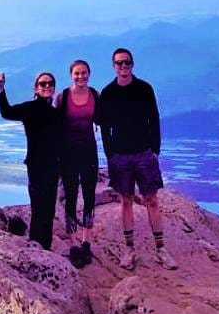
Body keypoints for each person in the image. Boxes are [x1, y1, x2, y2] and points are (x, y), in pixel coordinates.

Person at [95, 47, 176, 270]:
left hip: (143, 152)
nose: (123, 66)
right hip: (120, 156)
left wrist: (155, 150)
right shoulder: (108, 93)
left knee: (152, 200)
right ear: (114, 66)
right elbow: (104, 126)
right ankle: (129, 249)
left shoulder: (144, 88)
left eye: (127, 62)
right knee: (126, 201)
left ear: (132, 64)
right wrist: (110, 154)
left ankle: (161, 249)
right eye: (119, 63)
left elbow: (154, 118)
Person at [0, 69, 61, 250]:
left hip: (53, 165)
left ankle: (45, 246)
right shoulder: (30, 108)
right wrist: (1, 88)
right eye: (43, 84)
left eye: (50, 84)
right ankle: (36, 244)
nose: (47, 86)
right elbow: (7, 112)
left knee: (49, 208)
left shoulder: (56, 114)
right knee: (39, 206)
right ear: (36, 88)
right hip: (36, 164)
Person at [55, 59, 99, 268]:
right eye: (76, 73)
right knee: (71, 196)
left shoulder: (95, 96)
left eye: (84, 73)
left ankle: (86, 242)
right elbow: (54, 124)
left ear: (89, 74)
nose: (80, 76)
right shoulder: (62, 97)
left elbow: (104, 120)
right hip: (68, 153)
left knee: (90, 195)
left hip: (89, 151)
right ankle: (73, 245)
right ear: (71, 74)